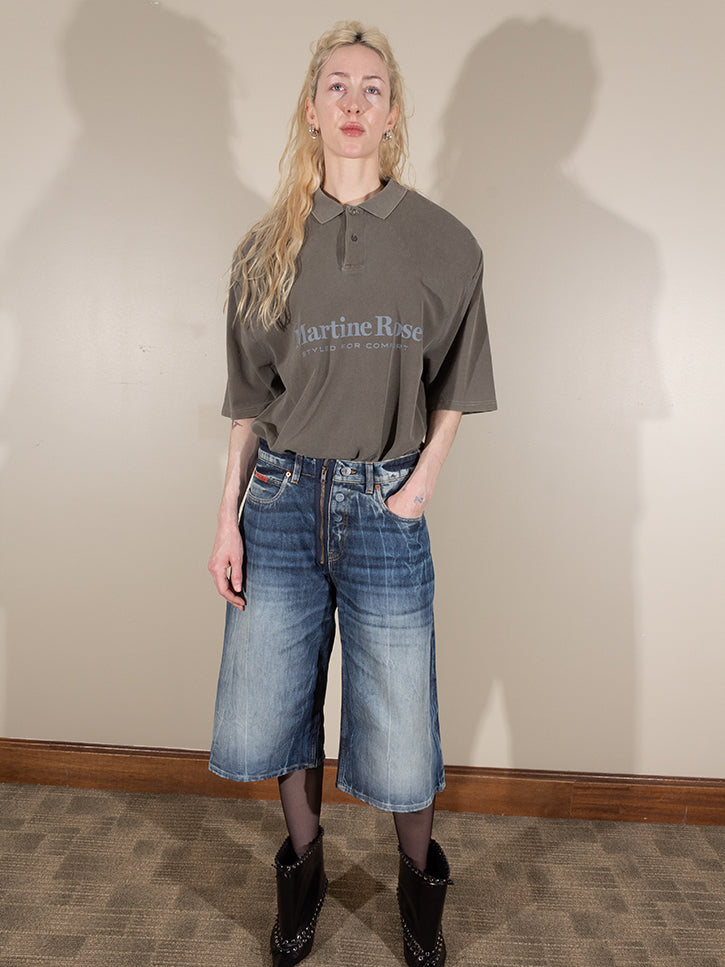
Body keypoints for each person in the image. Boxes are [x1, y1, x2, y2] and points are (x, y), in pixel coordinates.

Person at [207, 21, 496, 967]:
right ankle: (303, 872)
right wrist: (226, 521)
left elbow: (457, 382)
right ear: (310, 108)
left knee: (403, 724)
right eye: (336, 85)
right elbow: (249, 405)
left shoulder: (444, 245)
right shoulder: (263, 250)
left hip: (384, 501)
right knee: (276, 707)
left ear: (393, 113)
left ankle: (418, 892)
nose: (353, 103)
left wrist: (419, 485)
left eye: (372, 88)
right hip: (280, 501)